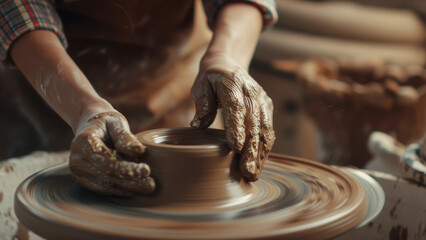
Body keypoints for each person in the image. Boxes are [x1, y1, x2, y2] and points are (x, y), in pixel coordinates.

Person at [0, 0, 277, 196]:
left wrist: (226, 58)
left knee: (198, 173)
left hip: (176, 88)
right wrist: (84, 109)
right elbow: (17, 9)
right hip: (47, 94)